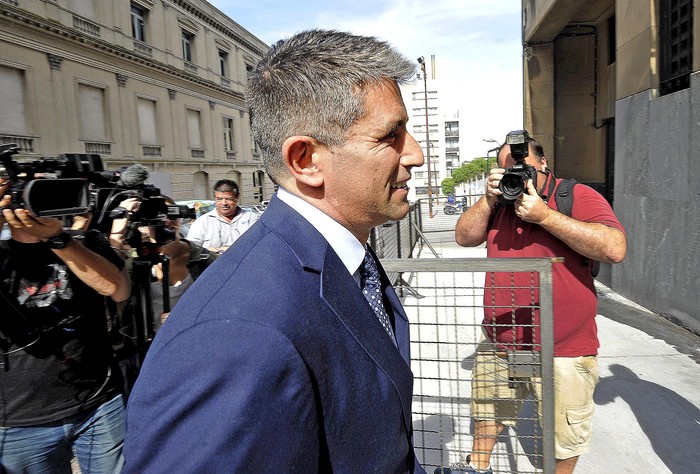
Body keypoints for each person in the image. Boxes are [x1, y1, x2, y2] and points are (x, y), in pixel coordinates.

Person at [123, 29, 427, 472]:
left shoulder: (346, 255)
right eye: (390, 135)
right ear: (305, 160)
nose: (415, 154)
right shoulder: (238, 334)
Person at [447, 133, 627, 474]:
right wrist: (488, 198)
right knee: (488, 413)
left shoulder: (574, 196)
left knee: (564, 434)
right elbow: (464, 237)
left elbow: (614, 248)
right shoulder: (499, 204)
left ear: (543, 164)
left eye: (522, 167)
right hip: (501, 342)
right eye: (506, 170)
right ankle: (475, 467)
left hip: (565, 346)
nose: (515, 175)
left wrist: (544, 216)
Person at [0, 190, 131, 472]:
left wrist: (58, 239)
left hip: (98, 403)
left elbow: (116, 289)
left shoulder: (84, 242)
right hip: (19, 418)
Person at [185, 179, 259, 254]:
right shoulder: (202, 222)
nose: (224, 203)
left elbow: (258, 244)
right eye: (219, 199)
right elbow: (191, 250)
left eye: (228, 199)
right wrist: (210, 252)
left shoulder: (250, 218)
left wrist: (225, 250)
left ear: (237, 198)